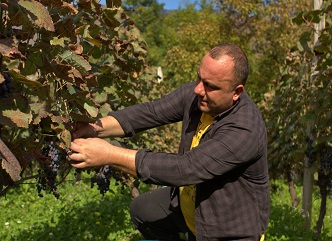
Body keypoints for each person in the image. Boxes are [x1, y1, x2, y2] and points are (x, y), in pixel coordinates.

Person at [69, 43, 270, 241]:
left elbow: (185, 169)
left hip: (226, 230)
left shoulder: (245, 129)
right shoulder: (198, 97)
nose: (199, 89)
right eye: (199, 78)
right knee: (144, 210)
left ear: (236, 92)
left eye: (210, 86)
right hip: (191, 205)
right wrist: (94, 128)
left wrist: (109, 154)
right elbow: (152, 112)